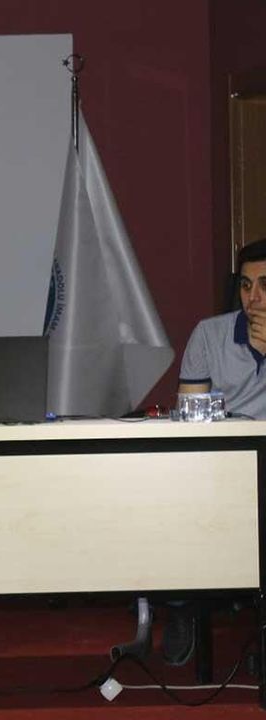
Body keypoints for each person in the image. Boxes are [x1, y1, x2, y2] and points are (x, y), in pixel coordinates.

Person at [163, 236, 266, 665]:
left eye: (264, 285)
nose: (253, 298)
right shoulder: (210, 334)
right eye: (245, 285)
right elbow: (190, 420)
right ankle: (181, 604)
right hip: (224, 464)